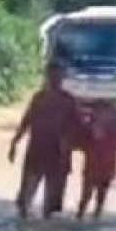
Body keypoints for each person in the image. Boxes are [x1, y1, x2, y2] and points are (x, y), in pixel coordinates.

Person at [9, 59, 82, 219]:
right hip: (37, 149)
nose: (55, 79)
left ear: (63, 77)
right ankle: (25, 223)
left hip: (58, 152)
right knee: (25, 195)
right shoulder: (39, 98)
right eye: (52, 75)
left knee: (52, 201)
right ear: (47, 76)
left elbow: (79, 127)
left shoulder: (68, 101)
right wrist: (14, 143)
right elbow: (26, 121)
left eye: (59, 75)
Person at [77, 101, 116, 220]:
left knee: (101, 195)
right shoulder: (89, 127)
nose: (102, 115)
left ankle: (95, 215)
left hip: (106, 167)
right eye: (99, 112)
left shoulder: (114, 128)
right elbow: (81, 144)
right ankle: (80, 216)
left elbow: (115, 147)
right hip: (92, 166)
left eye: (105, 112)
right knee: (86, 195)